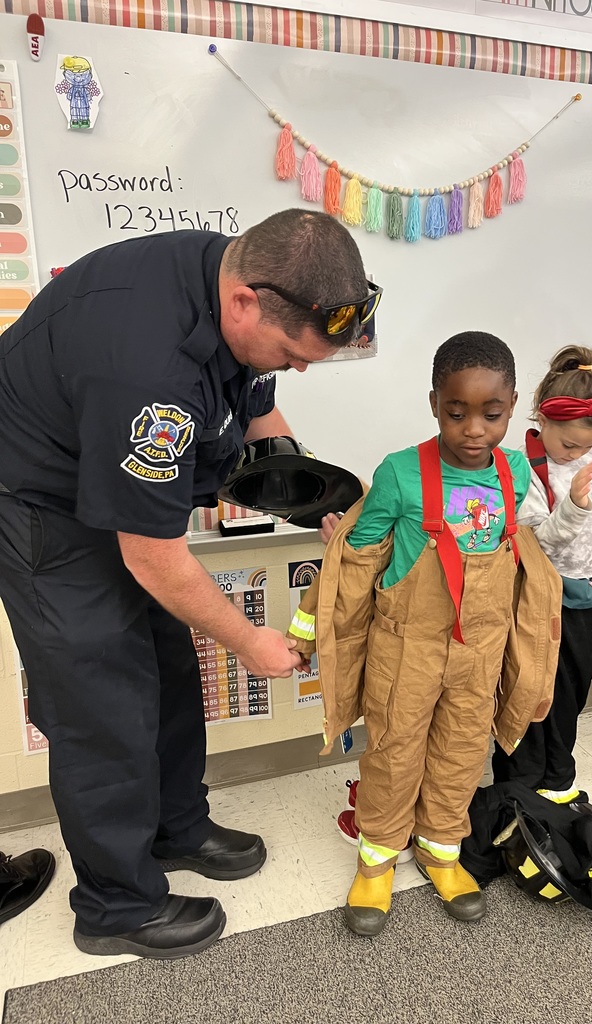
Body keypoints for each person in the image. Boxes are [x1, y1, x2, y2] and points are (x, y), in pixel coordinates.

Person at [0, 208, 380, 959]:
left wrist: (306, 483)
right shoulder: (146, 367)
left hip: (115, 493)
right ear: (246, 301)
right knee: (101, 702)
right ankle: (116, 905)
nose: (298, 369)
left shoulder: (236, 275)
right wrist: (251, 643)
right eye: (292, 354)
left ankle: (177, 826)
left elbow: (257, 388)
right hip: (44, 508)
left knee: (168, 665)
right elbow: (154, 556)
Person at [287, 331, 562, 936]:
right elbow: (356, 560)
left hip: (479, 653)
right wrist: (309, 627)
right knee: (393, 754)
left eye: (491, 414)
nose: (473, 429)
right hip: (405, 650)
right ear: (433, 401)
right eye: (455, 411)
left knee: (464, 752)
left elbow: (525, 561)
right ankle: (377, 858)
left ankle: (441, 849)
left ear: (513, 405)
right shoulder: (399, 473)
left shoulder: (517, 471)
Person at [491, 346, 592, 807]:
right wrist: (575, 506)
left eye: (588, 446)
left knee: (573, 691)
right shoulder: (525, 470)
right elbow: (540, 542)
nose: (578, 453)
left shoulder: (581, 464)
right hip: (542, 601)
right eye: (569, 445)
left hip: (584, 595)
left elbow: (591, 524)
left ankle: (559, 777)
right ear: (542, 419)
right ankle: (521, 786)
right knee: (536, 693)